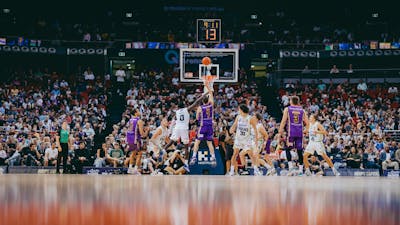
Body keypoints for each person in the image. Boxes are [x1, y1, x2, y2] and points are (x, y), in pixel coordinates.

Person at [164, 91, 209, 161]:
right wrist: (204, 95)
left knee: (171, 141)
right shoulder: (187, 109)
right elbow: (196, 102)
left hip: (177, 127)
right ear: (184, 106)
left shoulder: (176, 112)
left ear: (178, 107)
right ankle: (186, 160)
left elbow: (174, 120)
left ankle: (163, 150)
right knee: (186, 145)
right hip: (184, 128)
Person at [278, 96, 308, 170]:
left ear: (291, 101)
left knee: (288, 149)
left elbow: (283, 121)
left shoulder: (287, 109)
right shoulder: (302, 110)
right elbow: (307, 123)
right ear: (298, 102)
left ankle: (290, 167)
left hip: (291, 132)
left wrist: (280, 131)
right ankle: (300, 169)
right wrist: (306, 130)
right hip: (300, 132)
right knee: (299, 151)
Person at [190, 84, 216, 166]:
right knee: (209, 143)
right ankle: (213, 158)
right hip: (210, 126)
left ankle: (194, 157)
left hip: (203, 126)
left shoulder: (200, 107)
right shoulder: (211, 105)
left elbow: (197, 118)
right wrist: (208, 87)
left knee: (197, 142)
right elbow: (211, 94)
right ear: (208, 100)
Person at [228, 104, 258, 176]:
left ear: (242, 110)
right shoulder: (238, 117)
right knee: (235, 154)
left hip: (246, 139)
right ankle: (232, 171)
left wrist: (256, 140)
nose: (238, 110)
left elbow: (255, 129)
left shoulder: (250, 118)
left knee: (251, 154)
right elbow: (235, 125)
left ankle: (256, 170)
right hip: (238, 139)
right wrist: (231, 129)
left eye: (239, 109)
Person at [127, 108, 149, 175]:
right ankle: (135, 169)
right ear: (136, 113)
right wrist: (147, 131)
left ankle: (130, 168)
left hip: (129, 138)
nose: (139, 112)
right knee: (139, 153)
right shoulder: (139, 121)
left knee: (133, 153)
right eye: (138, 111)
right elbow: (142, 134)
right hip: (135, 139)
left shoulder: (130, 120)